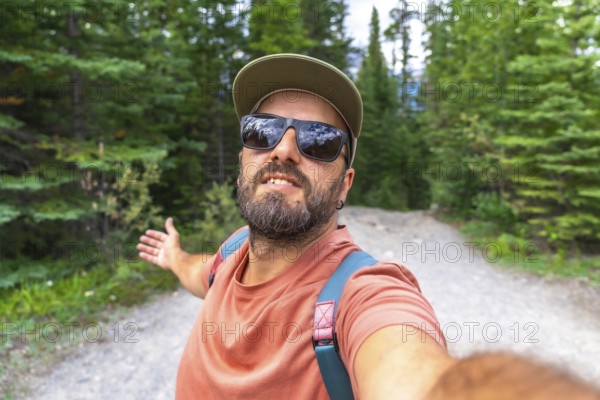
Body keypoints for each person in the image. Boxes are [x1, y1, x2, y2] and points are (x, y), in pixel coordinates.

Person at [137, 54, 600, 399]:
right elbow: (204, 275)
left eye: (320, 142)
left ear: (345, 186)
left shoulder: (362, 294)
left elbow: (418, 375)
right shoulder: (233, 250)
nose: (284, 150)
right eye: (262, 130)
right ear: (243, 158)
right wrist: (173, 255)